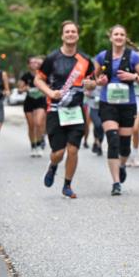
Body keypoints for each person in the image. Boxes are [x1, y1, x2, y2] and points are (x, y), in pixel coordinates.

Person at [37, 21, 98, 199]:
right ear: (62, 35)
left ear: (77, 35)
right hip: (56, 110)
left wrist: (91, 84)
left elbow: (92, 83)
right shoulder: (52, 58)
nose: (70, 34)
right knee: (58, 152)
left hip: (76, 111)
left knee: (73, 150)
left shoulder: (85, 60)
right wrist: (50, 92)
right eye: (67, 31)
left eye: (73, 31)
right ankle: (53, 166)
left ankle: (67, 185)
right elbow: (38, 80)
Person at [94, 25, 139, 195]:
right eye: (116, 34)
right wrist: (99, 81)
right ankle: (116, 182)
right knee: (113, 140)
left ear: (125, 38)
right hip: (107, 103)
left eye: (121, 34)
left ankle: (122, 164)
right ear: (111, 37)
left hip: (127, 104)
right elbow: (93, 78)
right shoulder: (102, 56)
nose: (118, 37)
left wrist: (134, 77)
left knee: (125, 147)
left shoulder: (134, 57)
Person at [19, 56, 47, 157]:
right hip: (29, 102)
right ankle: (33, 145)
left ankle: (39, 144)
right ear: (29, 65)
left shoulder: (42, 75)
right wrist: (25, 88)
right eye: (32, 62)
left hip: (40, 101)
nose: (34, 64)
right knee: (31, 126)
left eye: (36, 62)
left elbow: (49, 86)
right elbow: (19, 89)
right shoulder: (25, 76)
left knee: (38, 123)